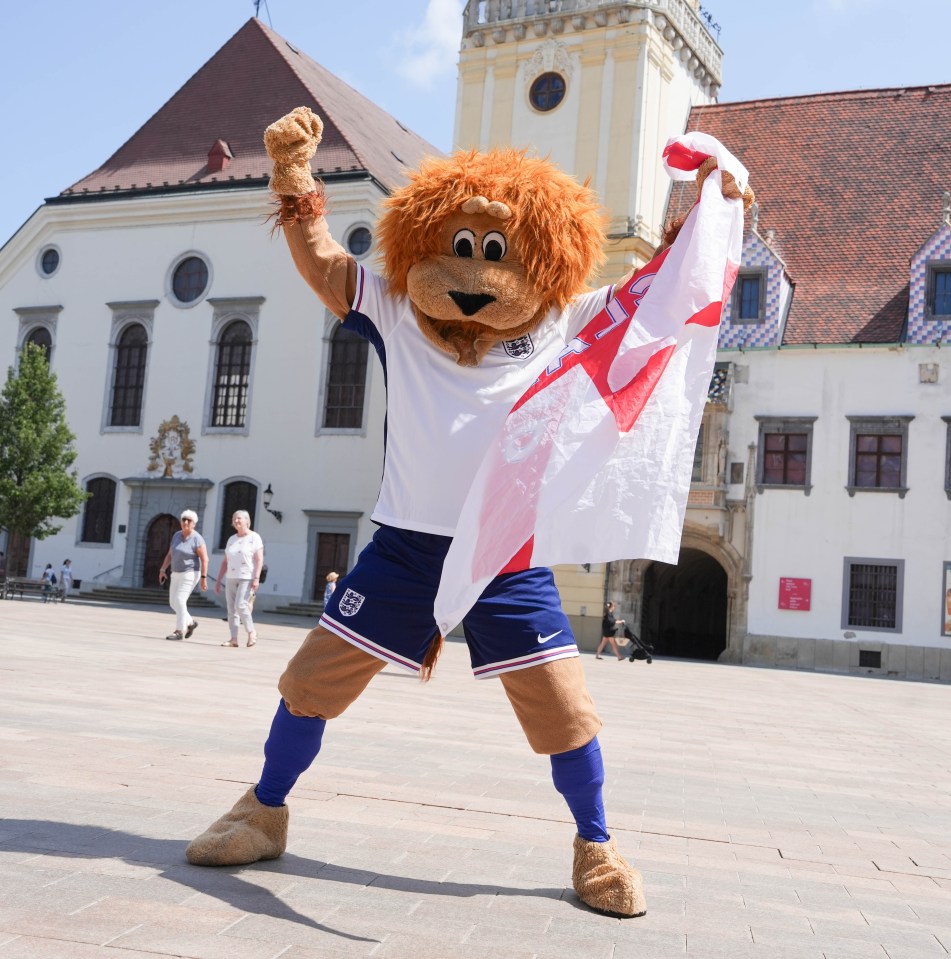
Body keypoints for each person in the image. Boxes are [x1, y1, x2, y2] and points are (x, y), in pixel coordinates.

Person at [214, 510, 264, 648]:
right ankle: (233, 639)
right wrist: (218, 580)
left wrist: (256, 578)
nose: (236, 521)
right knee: (231, 610)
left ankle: (251, 632)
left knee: (241, 605)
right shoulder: (232, 539)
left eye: (239, 518)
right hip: (231, 577)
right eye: (234, 518)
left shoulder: (255, 537)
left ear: (247, 521)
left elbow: (259, 559)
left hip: (246, 577)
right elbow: (225, 561)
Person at [158, 510, 208, 641]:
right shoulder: (176, 536)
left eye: (189, 520)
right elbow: (170, 554)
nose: (185, 522)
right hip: (175, 572)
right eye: (184, 519)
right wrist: (163, 569)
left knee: (180, 600)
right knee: (173, 603)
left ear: (194, 524)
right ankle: (191, 623)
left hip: (190, 573)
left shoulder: (197, 539)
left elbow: (205, 559)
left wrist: (203, 578)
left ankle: (179, 631)